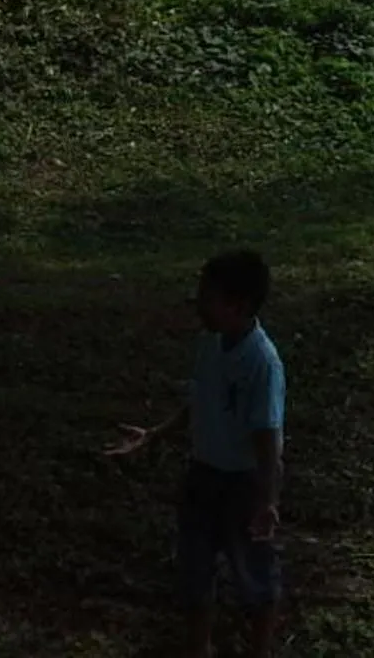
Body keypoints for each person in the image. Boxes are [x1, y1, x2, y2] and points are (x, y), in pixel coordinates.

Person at [107, 250, 287, 658]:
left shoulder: (262, 363)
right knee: (194, 571)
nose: (197, 303)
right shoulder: (211, 343)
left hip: (243, 484)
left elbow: (267, 437)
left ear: (237, 306)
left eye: (207, 296)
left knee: (255, 578)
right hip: (202, 476)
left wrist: (267, 500)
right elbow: (201, 401)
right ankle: (198, 648)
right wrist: (155, 434)